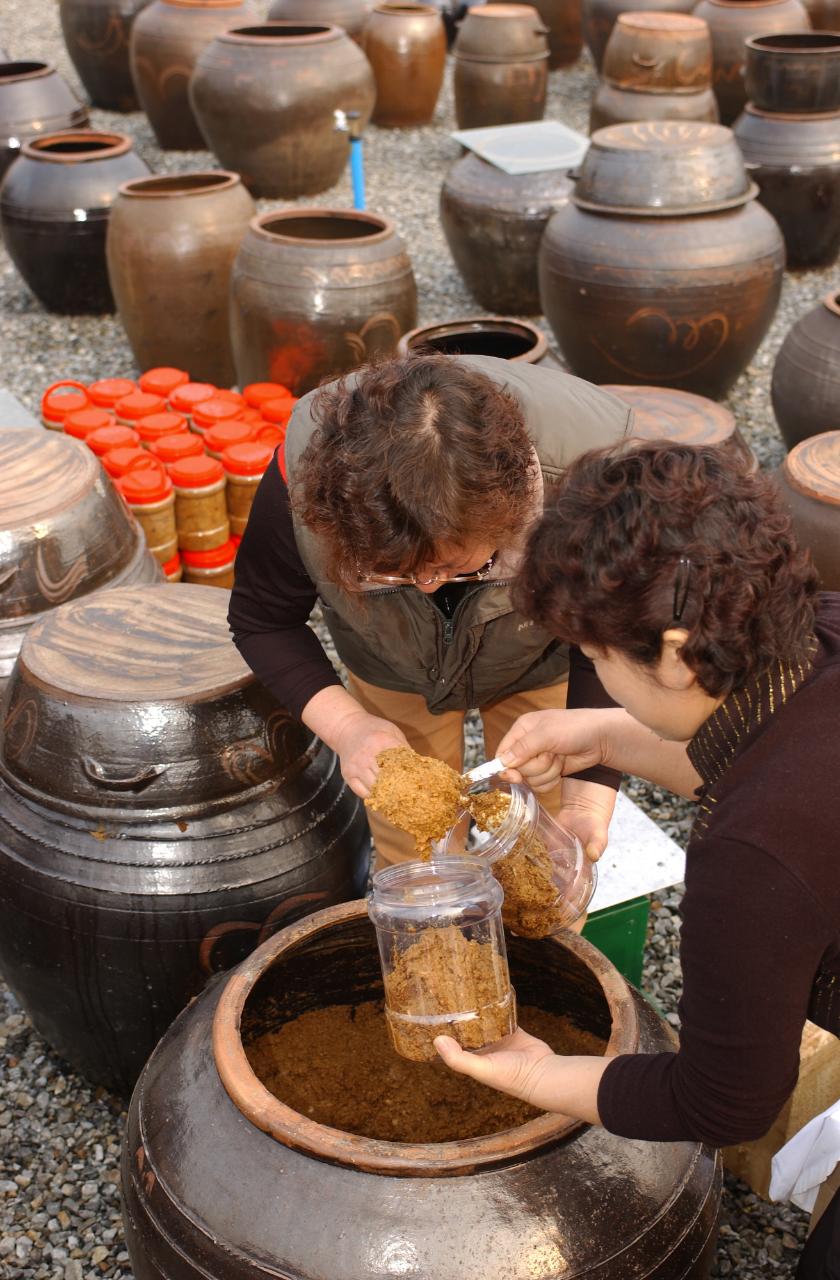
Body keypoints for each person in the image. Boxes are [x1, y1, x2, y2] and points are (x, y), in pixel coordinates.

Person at [433, 441, 840, 1280]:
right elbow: (775, 759)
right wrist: (607, 737)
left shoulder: (750, 859)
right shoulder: (819, 632)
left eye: (597, 661)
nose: (593, 676)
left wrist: (541, 1074)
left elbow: (726, 1101)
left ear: (679, 651)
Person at [229, 351, 633, 867]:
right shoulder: (306, 477)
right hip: (388, 657)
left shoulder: (593, 475)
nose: (424, 586)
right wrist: (350, 729)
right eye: (393, 572)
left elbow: (611, 638)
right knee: (412, 839)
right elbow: (262, 620)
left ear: (510, 516)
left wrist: (588, 794)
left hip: (539, 652)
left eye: (453, 567)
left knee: (544, 833)